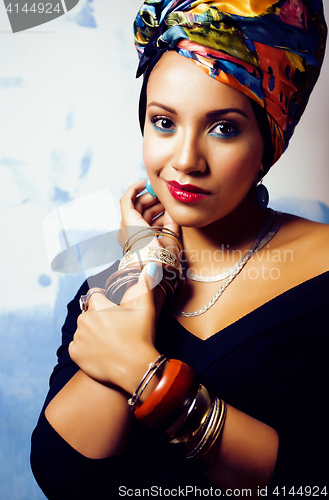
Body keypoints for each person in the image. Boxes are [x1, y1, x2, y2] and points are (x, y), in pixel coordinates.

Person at [31, 1, 329, 498]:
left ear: (269, 142)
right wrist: (147, 271)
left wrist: (141, 373)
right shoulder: (114, 284)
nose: (185, 160)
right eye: (164, 122)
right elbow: (69, 480)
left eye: (224, 128)